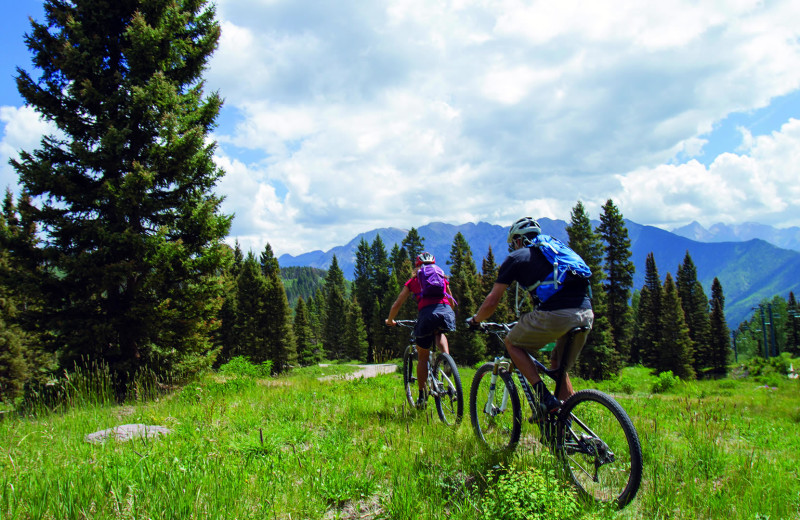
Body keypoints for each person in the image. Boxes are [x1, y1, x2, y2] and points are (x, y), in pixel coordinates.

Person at [468, 217, 593, 413]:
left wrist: (476, 320)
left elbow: (492, 301)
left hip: (556, 314)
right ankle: (563, 428)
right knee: (558, 366)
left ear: (518, 240)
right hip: (585, 313)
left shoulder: (516, 258)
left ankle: (544, 397)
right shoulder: (556, 252)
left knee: (512, 343)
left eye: (513, 243)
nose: (512, 247)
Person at [386, 252, 457, 408]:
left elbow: (398, 303)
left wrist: (390, 320)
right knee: (440, 332)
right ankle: (446, 359)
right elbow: (451, 301)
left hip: (427, 315)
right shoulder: (442, 278)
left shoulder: (414, 280)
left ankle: (422, 398)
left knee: (423, 357)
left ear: (417, 266)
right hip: (446, 312)